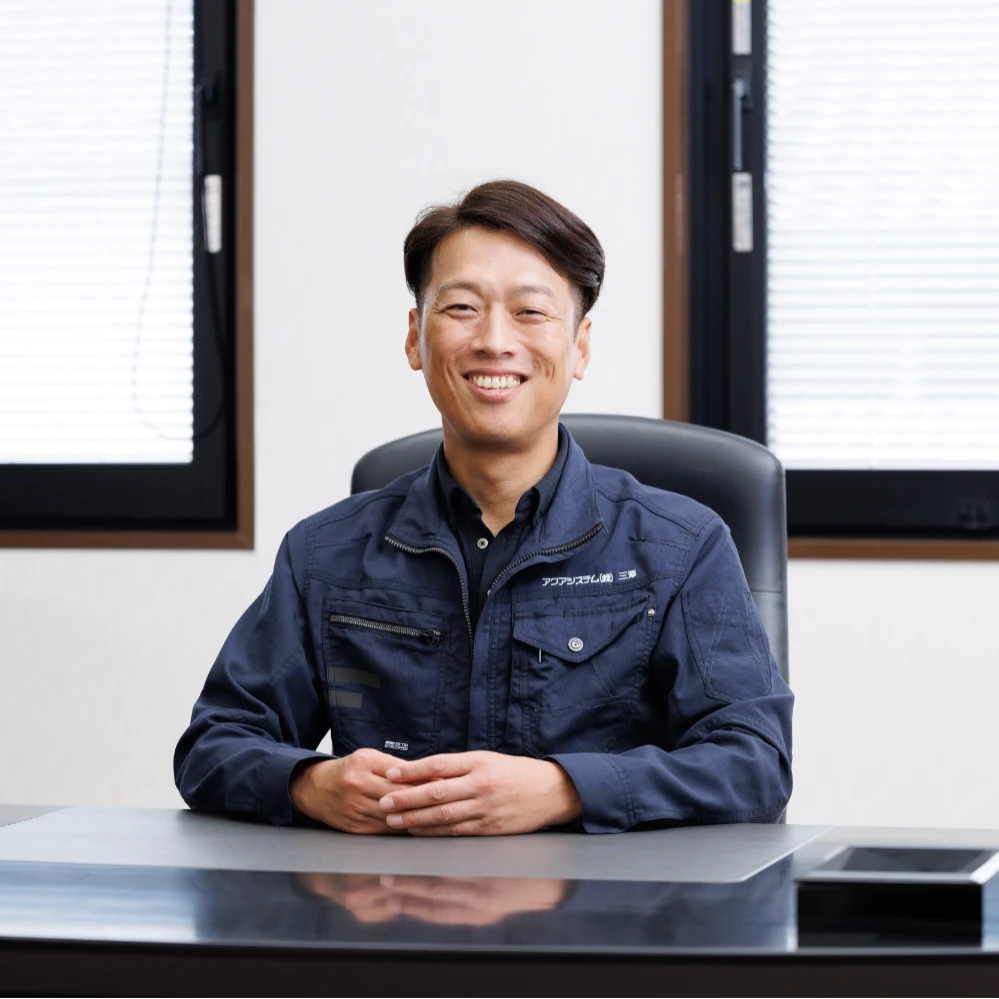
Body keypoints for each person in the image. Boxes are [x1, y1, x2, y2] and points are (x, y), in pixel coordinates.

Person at [174, 180, 793, 835]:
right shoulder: (325, 554)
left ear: (580, 346)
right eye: (462, 307)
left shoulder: (679, 547)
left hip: (602, 898)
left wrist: (566, 789)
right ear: (415, 339)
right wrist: (307, 783)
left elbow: (754, 764)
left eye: (530, 312)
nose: (495, 340)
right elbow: (213, 745)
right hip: (390, 895)